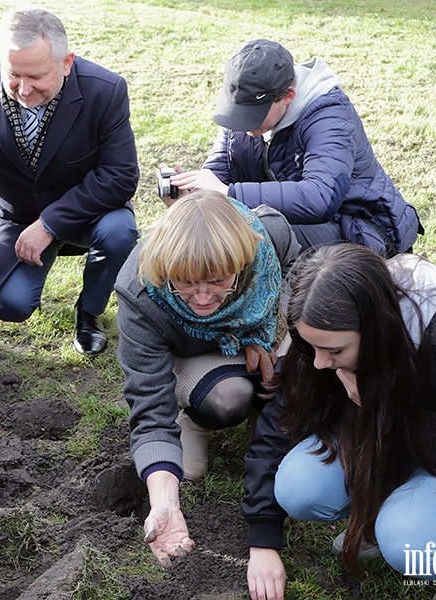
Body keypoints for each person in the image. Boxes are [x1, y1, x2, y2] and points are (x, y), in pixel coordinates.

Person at [242, 244, 436, 600]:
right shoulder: (322, 332)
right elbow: (280, 421)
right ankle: (390, 512)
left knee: (407, 543)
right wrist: (263, 540)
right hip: (414, 434)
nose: (318, 364)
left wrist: (386, 407)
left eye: (334, 352)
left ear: (377, 328)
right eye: (311, 348)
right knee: (299, 487)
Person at [115, 189, 299, 568]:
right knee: (229, 397)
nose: (201, 298)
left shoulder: (270, 234)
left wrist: (272, 331)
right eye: (184, 283)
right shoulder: (139, 291)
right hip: (195, 354)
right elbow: (149, 405)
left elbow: (302, 284)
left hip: (263, 330)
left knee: (290, 375)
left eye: (217, 281)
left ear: (243, 260)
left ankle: (268, 422)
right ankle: (197, 421)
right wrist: (165, 499)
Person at [0, 7, 139, 356]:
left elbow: (121, 176)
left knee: (119, 233)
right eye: (13, 74)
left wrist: (50, 224)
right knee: (11, 305)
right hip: (14, 217)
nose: (23, 89)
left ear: (66, 62)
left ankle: (90, 311)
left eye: (36, 76)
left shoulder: (106, 91)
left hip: (89, 215)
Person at [168, 39, 422, 257]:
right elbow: (220, 171)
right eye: (237, 113)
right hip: (297, 222)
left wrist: (228, 194)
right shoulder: (246, 110)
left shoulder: (329, 116)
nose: (242, 124)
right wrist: (193, 195)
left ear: (288, 96)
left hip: (359, 229)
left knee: (254, 235)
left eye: (251, 114)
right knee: (222, 229)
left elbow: (320, 198)